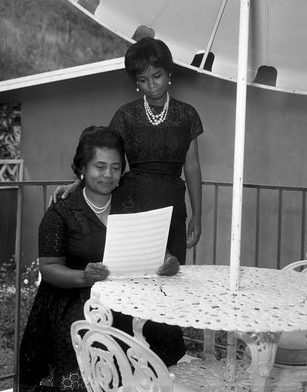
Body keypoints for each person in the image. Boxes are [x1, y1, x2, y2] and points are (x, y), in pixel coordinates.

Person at [19, 126, 182, 392]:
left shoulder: (130, 202)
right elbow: (48, 269)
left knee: (158, 333)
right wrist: (84, 276)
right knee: (87, 354)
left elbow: (159, 251)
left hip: (129, 297)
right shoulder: (62, 211)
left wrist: (170, 262)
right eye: (100, 166)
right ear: (83, 168)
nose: (108, 175)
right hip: (75, 300)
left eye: (116, 168)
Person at [52, 37, 204, 265]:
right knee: (133, 273)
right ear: (136, 82)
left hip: (172, 206)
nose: (151, 85)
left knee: (172, 277)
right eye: (143, 80)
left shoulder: (187, 114)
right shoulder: (126, 114)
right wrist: (80, 182)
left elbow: (192, 167)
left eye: (157, 76)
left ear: (168, 72)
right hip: (132, 206)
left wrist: (197, 215)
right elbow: (105, 157)